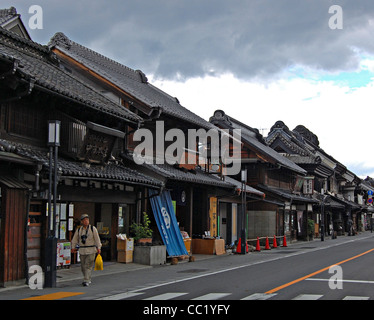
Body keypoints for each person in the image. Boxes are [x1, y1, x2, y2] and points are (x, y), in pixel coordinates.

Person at [71, 214, 102, 286]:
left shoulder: (92, 228)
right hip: (82, 250)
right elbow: (74, 239)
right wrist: (73, 247)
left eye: (87, 220)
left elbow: (97, 239)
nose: (86, 221)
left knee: (88, 265)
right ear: (82, 221)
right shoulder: (79, 230)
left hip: (91, 250)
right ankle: (87, 278)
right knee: (83, 266)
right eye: (84, 220)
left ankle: (86, 280)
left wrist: (99, 247)